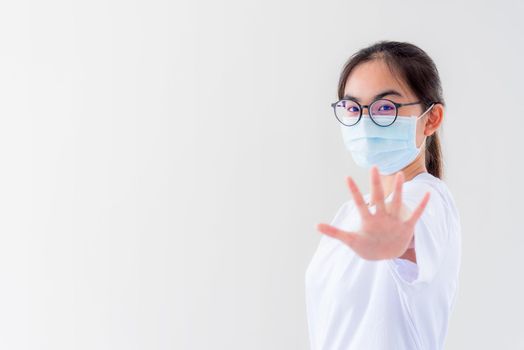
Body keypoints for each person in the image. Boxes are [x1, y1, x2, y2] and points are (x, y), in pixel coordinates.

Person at [305, 41, 462, 350]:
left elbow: (411, 231)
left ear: (431, 119)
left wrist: (400, 242)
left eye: (385, 108)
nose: (365, 122)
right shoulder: (353, 212)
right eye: (353, 108)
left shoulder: (427, 201)